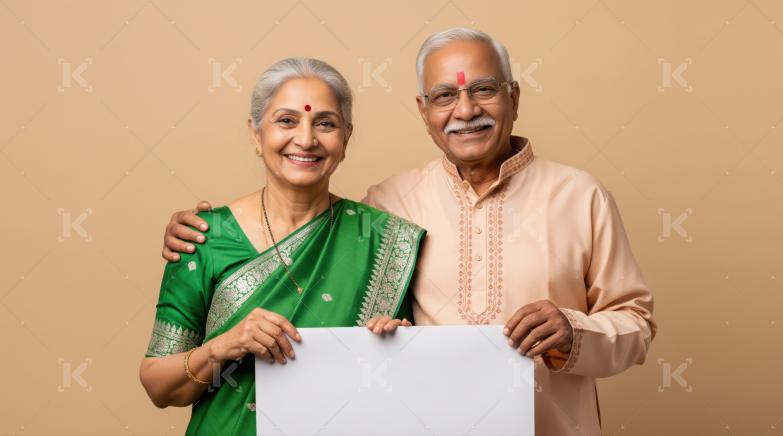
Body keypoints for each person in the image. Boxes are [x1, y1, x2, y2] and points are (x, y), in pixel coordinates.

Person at [162, 29, 656, 434]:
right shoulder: (388, 205)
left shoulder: (580, 196)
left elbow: (636, 324)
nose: (466, 110)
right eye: (445, 95)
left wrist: (574, 330)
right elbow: (309, 240)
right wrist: (201, 231)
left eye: (484, 89)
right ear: (424, 111)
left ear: (514, 97)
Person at [139, 57, 425, 436]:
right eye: (287, 121)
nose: (306, 139)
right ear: (255, 134)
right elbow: (159, 386)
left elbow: (403, 392)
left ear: (345, 139)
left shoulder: (384, 239)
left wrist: (399, 347)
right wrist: (224, 345)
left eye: (325, 123)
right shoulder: (204, 237)